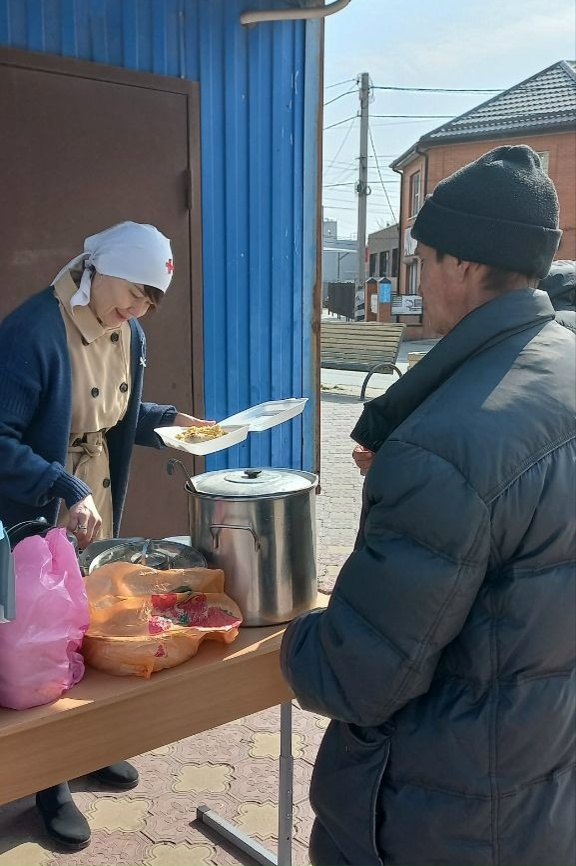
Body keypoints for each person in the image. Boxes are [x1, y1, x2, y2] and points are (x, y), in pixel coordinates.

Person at [281, 145, 576, 866]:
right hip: (541, 780)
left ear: (465, 266)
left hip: (436, 811)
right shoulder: (561, 363)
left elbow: (357, 676)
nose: (416, 279)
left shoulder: (447, 442)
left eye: (420, 261)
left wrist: (288, 631)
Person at [0, 221, 213, 850]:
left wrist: (174, 425)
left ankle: (91, 746)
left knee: (92, 626)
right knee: (42, 648)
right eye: (133, 290)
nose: (137, 307)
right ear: (100, 266)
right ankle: (48, 783)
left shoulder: (129, 333)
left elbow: (115, 413)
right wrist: (64, 488)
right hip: (36, 514)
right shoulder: (34, 332)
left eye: (149, 300)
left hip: (93, 503)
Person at [351, 258, 576, 477]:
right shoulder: (551, 343)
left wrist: (394, 455)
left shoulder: (526, 336)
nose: (420, 288)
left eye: (426, 263)